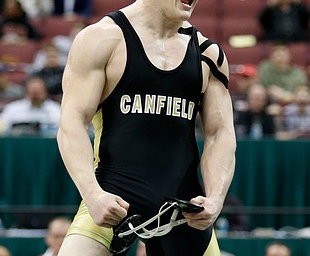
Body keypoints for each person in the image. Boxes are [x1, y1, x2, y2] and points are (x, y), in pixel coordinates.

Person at [57, 0, 236, 256]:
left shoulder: (207, 53)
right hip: (113, 196)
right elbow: (71, 122)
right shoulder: (103, 38)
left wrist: (216, 199)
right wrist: (92, 194)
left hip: (183, 210)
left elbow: (220, 133)